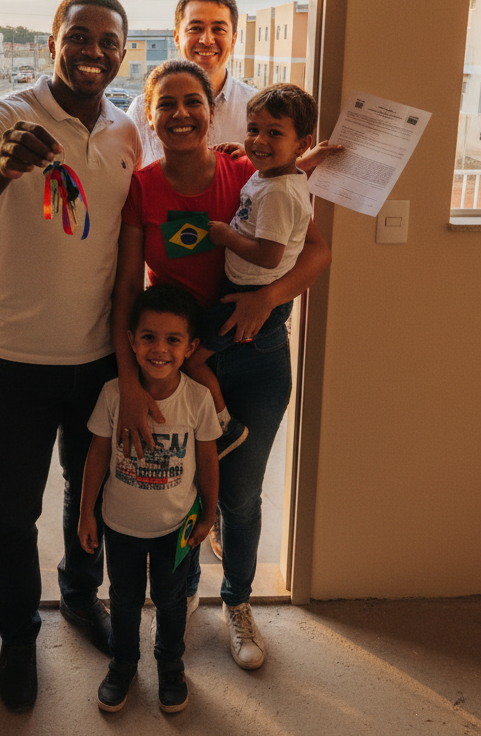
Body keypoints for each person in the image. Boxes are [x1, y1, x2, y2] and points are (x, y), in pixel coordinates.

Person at [0, 0, 141, 713]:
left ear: (123, 53)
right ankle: (18, 637)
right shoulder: (4, 115)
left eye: (109, 41)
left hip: (97, 358)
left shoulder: (126, 129)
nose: (93, 51)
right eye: (79, 36)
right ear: (53, 41)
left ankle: (81, 598)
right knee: (15, 509)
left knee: (91, 495)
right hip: (17, 358)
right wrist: (1, 167)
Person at [112, 59, 331, 672]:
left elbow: (316, 251)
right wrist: (130, 378)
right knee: (181, 492)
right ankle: (182, 590)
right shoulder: (142, 187)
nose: (181, 113)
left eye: (194, 102)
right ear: (149, 115)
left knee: (239, 495)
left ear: (212, 112)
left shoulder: (247, 171)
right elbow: (128, 287)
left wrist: (267, 298)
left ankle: (237, 601)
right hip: (179, 364)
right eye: (166, 103)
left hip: (256, 353)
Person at [79, 283, 221, 714]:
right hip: (121, 525)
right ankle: (122, 664)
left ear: (190, 347)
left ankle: (170, 665)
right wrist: (86, 512)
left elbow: (208, 459)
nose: (159, 349)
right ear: (131, 341)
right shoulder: (113, 394)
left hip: (176, 528)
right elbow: (97, 453)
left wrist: (209, 513)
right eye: (148, 337)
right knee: (123, 599)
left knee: (171, 600)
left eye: (173, 339)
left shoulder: (197, 399)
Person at [187, 83, 318, 414]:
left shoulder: (277, 193)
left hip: (251, 294)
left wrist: (226, 237)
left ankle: (223, 420)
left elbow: (269, 256)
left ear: (302, 144)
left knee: (192, 360)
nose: (259, 140)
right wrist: (248, 153)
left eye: (274, 133)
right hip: (246, 287)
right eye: (253, 130)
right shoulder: (275, 176)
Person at [127, 0, 255, 167]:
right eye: (195, 28)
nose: (207, 40)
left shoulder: (257, 110)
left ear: (233, 39)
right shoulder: (141, 110)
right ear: (177, 38)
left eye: (218, 29)